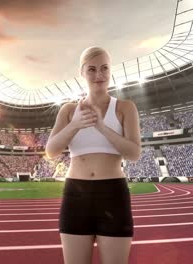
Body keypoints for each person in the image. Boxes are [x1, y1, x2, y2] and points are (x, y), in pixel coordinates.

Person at [45, 46, 142, 264]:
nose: (99, 75)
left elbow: (134, 153)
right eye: (92, 69)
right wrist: (75, 125)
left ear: (110, 70)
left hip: (113, 194)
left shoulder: (125, 108)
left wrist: (102, 126)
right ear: (82, 73)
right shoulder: (69, 110)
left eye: (104, 68)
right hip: (75, 195)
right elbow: (51, 151)